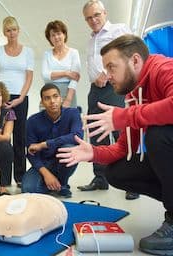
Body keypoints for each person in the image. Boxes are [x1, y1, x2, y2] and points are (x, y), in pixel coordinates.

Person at [57, 34, 173, 255]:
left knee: (158, 136)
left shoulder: (164, 69)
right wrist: (93, 152)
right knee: (118, 172)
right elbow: (122, 149)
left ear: (135, 61)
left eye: (112, 67)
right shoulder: (134, 95)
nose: (107, 76)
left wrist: (127, 116)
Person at [78, 0, 139, 200]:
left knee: (123, 131)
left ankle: (133, 182)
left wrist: (106, 73)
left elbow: (130, 54)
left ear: (104, 12)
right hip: (95, 89)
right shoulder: (91, 40)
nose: (93, 20)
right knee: (96, 131)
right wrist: (96, 78)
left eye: (96, 15)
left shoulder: (118, 29)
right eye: (88, 18)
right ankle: (100, 177)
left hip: (116, 87)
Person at [0, 16, 34, 188]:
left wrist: (21, 98)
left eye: (14, 29)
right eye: (8, 30)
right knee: (2, 138)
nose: (12, 33)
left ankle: (20, 176)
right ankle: (4, 178)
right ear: (4, 32)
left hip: (20, 98)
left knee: (20, 138)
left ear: (18, 30)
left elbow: (29, 77)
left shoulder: (28, 52)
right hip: (0, 98)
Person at [22, 83, 83, 198]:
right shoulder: (32, 121)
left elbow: (77, 136)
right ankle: (54, 183)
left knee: (69, 149)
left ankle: (63, 183)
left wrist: (45, 144)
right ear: (42, 102)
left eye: (55, 96)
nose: (52, 101)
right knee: (28, 189)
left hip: (62, 160)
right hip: (43, 164)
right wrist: (46, 174)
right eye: (47, 98)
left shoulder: (73, 114)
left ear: (61, 99)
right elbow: (31, 153)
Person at [42, 20, 81, 108]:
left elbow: (75, 78)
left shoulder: (74, 53)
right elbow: (45, 75)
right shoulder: (46, 54)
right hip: (49, 92)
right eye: (53, 35)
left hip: (69, 92)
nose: (56, 37)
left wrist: (68, 99)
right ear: (49, 38)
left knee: (68, 119)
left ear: (64, 34)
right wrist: (66, 73)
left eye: (58, 33)